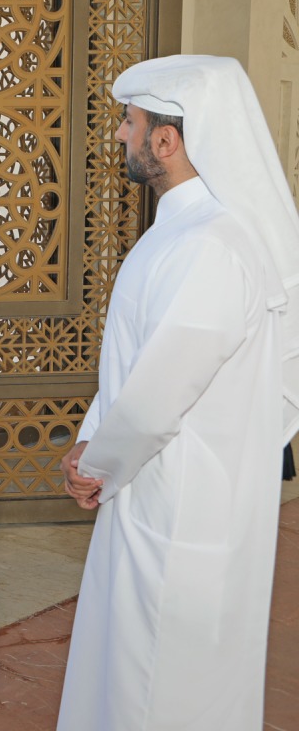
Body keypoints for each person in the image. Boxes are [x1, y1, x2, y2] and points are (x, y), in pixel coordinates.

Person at [57, 55, 299, 730]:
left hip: (187, 504)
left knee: (165, 684)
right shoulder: (180, 233)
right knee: (135, 671)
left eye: (128, 123)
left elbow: (163, 388)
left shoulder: (215, 245)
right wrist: (90, 439)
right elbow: (132, 364)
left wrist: (98, 461)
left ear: (167, 139)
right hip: (151, 488)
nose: (119, 136)